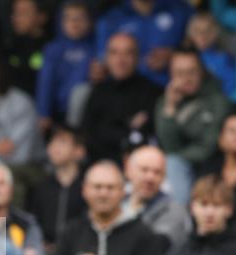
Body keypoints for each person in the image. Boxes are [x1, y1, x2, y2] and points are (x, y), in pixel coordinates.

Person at [155, 48, 230, 204]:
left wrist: (175, 156)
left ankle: (179, 214)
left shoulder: (218, 101)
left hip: (207, 169)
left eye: (192, 72)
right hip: (172, 169)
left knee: (172, 162)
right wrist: (170, 108)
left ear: (202, 72)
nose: (186, 79)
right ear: (171, 75)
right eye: (180, 73)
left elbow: (207, 147)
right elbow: (167, 144)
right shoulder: (166, 101)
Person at [80, 33, 161, 162]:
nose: (120, 60)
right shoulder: (98, 91)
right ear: (107, 58)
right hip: (99, 163)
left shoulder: (153, 92)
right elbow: (87, 134)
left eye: (128, 53)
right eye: (114, 53)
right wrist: (128, 129)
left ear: (138, 57)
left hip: (136, 163)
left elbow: (148, 137)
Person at [95, 0, 193, 86]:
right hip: (123, 92)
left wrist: (173, 55)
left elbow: (196, 48)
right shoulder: (111, 19)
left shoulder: (180, 10)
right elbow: (101, 63)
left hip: (170, 88)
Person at [26, 125, 87, 255]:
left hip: (80, 251)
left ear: (79, 151)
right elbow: (33, 222)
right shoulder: (41, 187)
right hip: (45, 251)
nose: (54, 147)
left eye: (62, 142)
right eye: (52, 141)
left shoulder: (88, 186)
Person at [35, 0, 94, 128]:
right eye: (69, 18)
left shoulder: (95, 49)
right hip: (58, 112)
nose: (74, 23)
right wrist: (44, 113)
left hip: (88, 112)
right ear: (61, 22)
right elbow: (45, 82)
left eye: (80, 18)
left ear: (89, 22)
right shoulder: (52, 49)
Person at [123, 145, 191, 249]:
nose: (150, 178)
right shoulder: (116, 202)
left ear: (164, 177)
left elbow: (157, 247)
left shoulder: (174, 210)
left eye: (157, 172)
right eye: (144, 170)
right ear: (128, 170)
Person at [185, 11, 236, 97]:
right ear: (191, 33)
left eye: (207, 30)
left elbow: (230, 86)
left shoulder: (222, 58)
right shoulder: (187, 54)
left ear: (215, 33)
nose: (202, 35)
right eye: (197, 30)